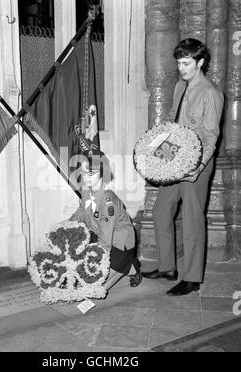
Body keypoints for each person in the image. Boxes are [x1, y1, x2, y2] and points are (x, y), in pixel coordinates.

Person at [142, 38, 224, 296]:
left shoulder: (211, 93)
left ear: (200, 62)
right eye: (179, 63)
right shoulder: (180, 87)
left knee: (192, 220)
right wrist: (155, 145)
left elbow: (211, 136)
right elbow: (172, 121)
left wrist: (197, 168)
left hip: (196, 165)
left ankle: (192, 278)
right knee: (160, 210)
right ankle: (168, 268)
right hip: (175, 160)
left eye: (186, 63)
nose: (182, 68)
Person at [70, 150, 142, 293]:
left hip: (119, 244)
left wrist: (93, 263)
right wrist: (66, 226)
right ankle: (128, 264)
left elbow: (105, 239)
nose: (87, 177)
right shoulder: (86, 191)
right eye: (84, 173)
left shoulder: (109, 201)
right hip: (100, 235)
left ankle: (131, 267)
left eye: (91, 173)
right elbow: (80, 212)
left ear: (103, 171)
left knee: (96, 288)